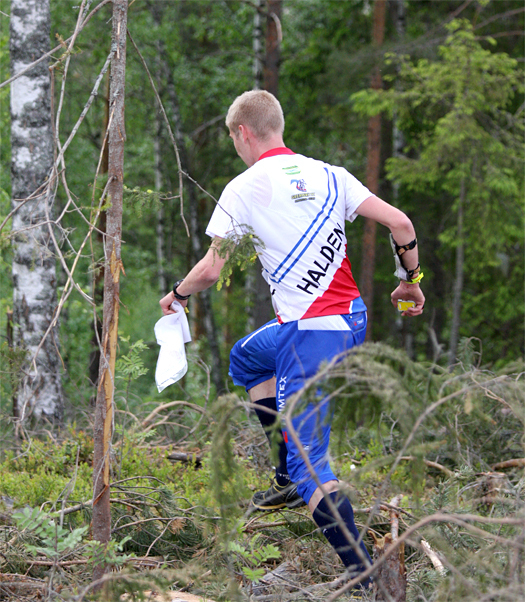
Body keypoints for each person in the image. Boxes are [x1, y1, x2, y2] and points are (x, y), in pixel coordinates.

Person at [160, 90, 425, 588]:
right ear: (277, 125)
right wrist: (411, 279)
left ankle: (365, 580)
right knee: (247, 359)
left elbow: (212, 269)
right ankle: (282, 476)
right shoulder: (331, 174)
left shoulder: (244, 187)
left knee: (313, 467)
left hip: (311, 333)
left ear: (243, 133)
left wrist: (177, 293)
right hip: (350, 318)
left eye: (233, 138)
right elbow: (401, 223)